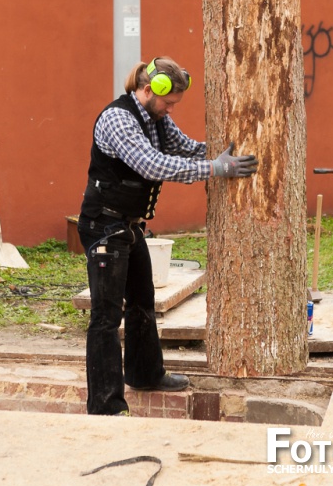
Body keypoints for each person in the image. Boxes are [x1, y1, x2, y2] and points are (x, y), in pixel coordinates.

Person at [78, 56, 258, 416]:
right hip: (103, 225)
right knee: (106, 317)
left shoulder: (157, 118)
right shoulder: (119, 118)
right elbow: (153, 164)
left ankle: (145, 374)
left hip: (127, 225)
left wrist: (222, 154)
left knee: (143, 301)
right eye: (168, 102)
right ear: (148, 90)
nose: (171, 109)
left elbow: (185, 148)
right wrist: (215, 170)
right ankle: (106, 405)